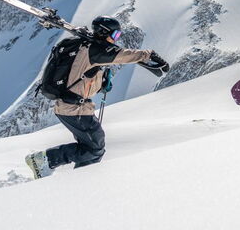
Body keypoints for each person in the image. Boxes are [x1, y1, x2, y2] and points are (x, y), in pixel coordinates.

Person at [24, 16, 169, 178]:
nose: (116, 40)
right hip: (73, 108)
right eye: (115, 36)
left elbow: (81, 76)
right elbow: (124, 55)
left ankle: (81, 176)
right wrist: (149, 55)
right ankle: (46, 159)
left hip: (73, 106)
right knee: (94, 148)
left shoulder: (86, 48)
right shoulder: (94, 50)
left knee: (92, 146)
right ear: (104, 33)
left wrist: (101, 83)